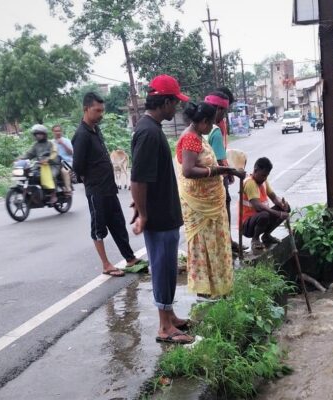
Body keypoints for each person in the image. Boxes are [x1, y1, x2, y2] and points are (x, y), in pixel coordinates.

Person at [130, 74, 193, 345]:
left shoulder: (152, 129)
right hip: (158, 218)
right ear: (165, 102)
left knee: (168, 268)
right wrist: (143, 214)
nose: (176, 109)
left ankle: (170, 315)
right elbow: (138, 179)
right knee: (161, 266)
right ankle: (164, 327)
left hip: (165, 214)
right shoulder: (147, 132)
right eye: (174, 103)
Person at [176, 101, 245, 299]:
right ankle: (207, 288)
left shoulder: (198, 135)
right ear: (204, 121)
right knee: (204, 244)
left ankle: (216, 285)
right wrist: (221, 170)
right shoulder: (190, 138)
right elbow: (188, 171)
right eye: (212, 123)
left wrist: (226, 171)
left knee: (214, 242)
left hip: (211, 202)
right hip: (200, 205)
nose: (212, 127)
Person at [72, 92, 144, 277]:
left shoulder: (96, 130)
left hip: (109, 188)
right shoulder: (81, 135)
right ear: (86, 109)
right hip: (96, 190)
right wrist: (89, 178)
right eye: (97, 110)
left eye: (102, 110)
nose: (101, 114)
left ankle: (130, 258)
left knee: (118, 223)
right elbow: (77, 166)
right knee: (98, 228)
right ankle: (106, 264)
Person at [204, 90, 245, 254]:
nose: (225, 115)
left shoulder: (197, 128)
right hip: (216, 179)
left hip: (203, 181)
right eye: (225, 111)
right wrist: (233, 173)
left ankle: (220, 242)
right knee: (223, 207)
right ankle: (225, 241)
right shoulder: (214, 130)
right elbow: (220, 159)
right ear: (218, 109)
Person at [241, 157, 290, 253]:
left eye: (267, 175)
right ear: (255, 170)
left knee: (285, 209)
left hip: (260, 219)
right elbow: (258, 207)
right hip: (247, 225)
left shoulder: (263, 181)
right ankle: (255, 239)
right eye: (263, 175)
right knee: (264, 214)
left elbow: (274, 197)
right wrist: (278, 214)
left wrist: (282, 204)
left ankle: (266, 236)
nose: (265, 178)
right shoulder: (250, 183)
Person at [20, 124, 60, 204]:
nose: (38, 136)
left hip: (52, 165)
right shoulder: (35, 145)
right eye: (36, 134)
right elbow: (29, 154)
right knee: (29, 174)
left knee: (50, 175)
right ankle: (33, 192)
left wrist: (48, 159)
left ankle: (53, 194)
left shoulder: (50, 143)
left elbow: (54, 153)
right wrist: (20, 159)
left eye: (40, 133)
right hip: (39, 165)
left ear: (44, 134)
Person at [52, 124, 73, 196]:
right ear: (53, 132)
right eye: (56, 131)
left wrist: (63, 144)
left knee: (63, 171)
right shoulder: (51, 142)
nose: (57, 132)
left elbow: (71, 152)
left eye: (59, 131)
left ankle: (68, 189)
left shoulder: (66, 141)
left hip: (66, 162)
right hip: (55, 163)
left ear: (61, 132)